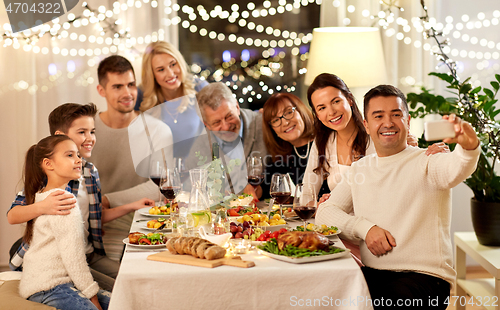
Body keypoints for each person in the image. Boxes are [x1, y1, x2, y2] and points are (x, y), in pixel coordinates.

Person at [316, 84, 480, 309]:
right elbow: (325, 212)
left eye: (396, 114)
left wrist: (468, 145)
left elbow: (457, 166)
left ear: (408, 120)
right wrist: (365, 228)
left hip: (425, 278)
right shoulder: (360, 169)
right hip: (373, 273)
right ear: (366, 124)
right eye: (378, 116)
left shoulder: (428, 160)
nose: (388, 123)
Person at [7, 103, 154, 291]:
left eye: (92, 132)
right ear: (60, 136)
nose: (90, 138)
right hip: (59, 260)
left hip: (88, 253)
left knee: (135, 277)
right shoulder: (48, 173)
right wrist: (44, 206)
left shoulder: (90, 172)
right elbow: (13, 215)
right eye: (82, 132)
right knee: (122, 289)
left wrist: (133, 205)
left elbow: (95, 216)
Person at [89, 55, 174, 261]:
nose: (127, 93)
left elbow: (161, 185)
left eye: (131, 85)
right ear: (101, 91)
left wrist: (109, 200)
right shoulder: (86, 129)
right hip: (92, 226)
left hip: (141, 225)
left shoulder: (157, 130)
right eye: (117, 87)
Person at [19, 135, 110, 310]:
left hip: (56, 282)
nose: (78, 160)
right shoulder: (63, 201)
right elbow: (74, 258)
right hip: (48, 286)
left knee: (122, 303)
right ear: (48, 164)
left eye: (78, 155)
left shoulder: (45, 196)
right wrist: (93, 297)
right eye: (70, 155)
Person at [185, 82, 269, 199]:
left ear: (237, 107)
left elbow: (286, 175)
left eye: (229, 116)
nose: (225, 127)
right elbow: (189, 188)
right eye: (216, 122)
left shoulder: (264, 125)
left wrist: (262, 189)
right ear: (206, 125)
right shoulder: (201, 146)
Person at [138, 41, 209, 160]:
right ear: (152, 75)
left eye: (173, 64)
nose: (170, 74)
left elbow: (219, 132)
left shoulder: (199, 87)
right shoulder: (142, 95)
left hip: (198, 171)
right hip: (160, 172)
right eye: (161, 70)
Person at [261, 93, 315, 195]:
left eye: (288, 112)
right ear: (272, 130)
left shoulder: (325, 142)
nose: (285, 123)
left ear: (300, 111)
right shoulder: (280, 157)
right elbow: (266, 188)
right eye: (276, 120)